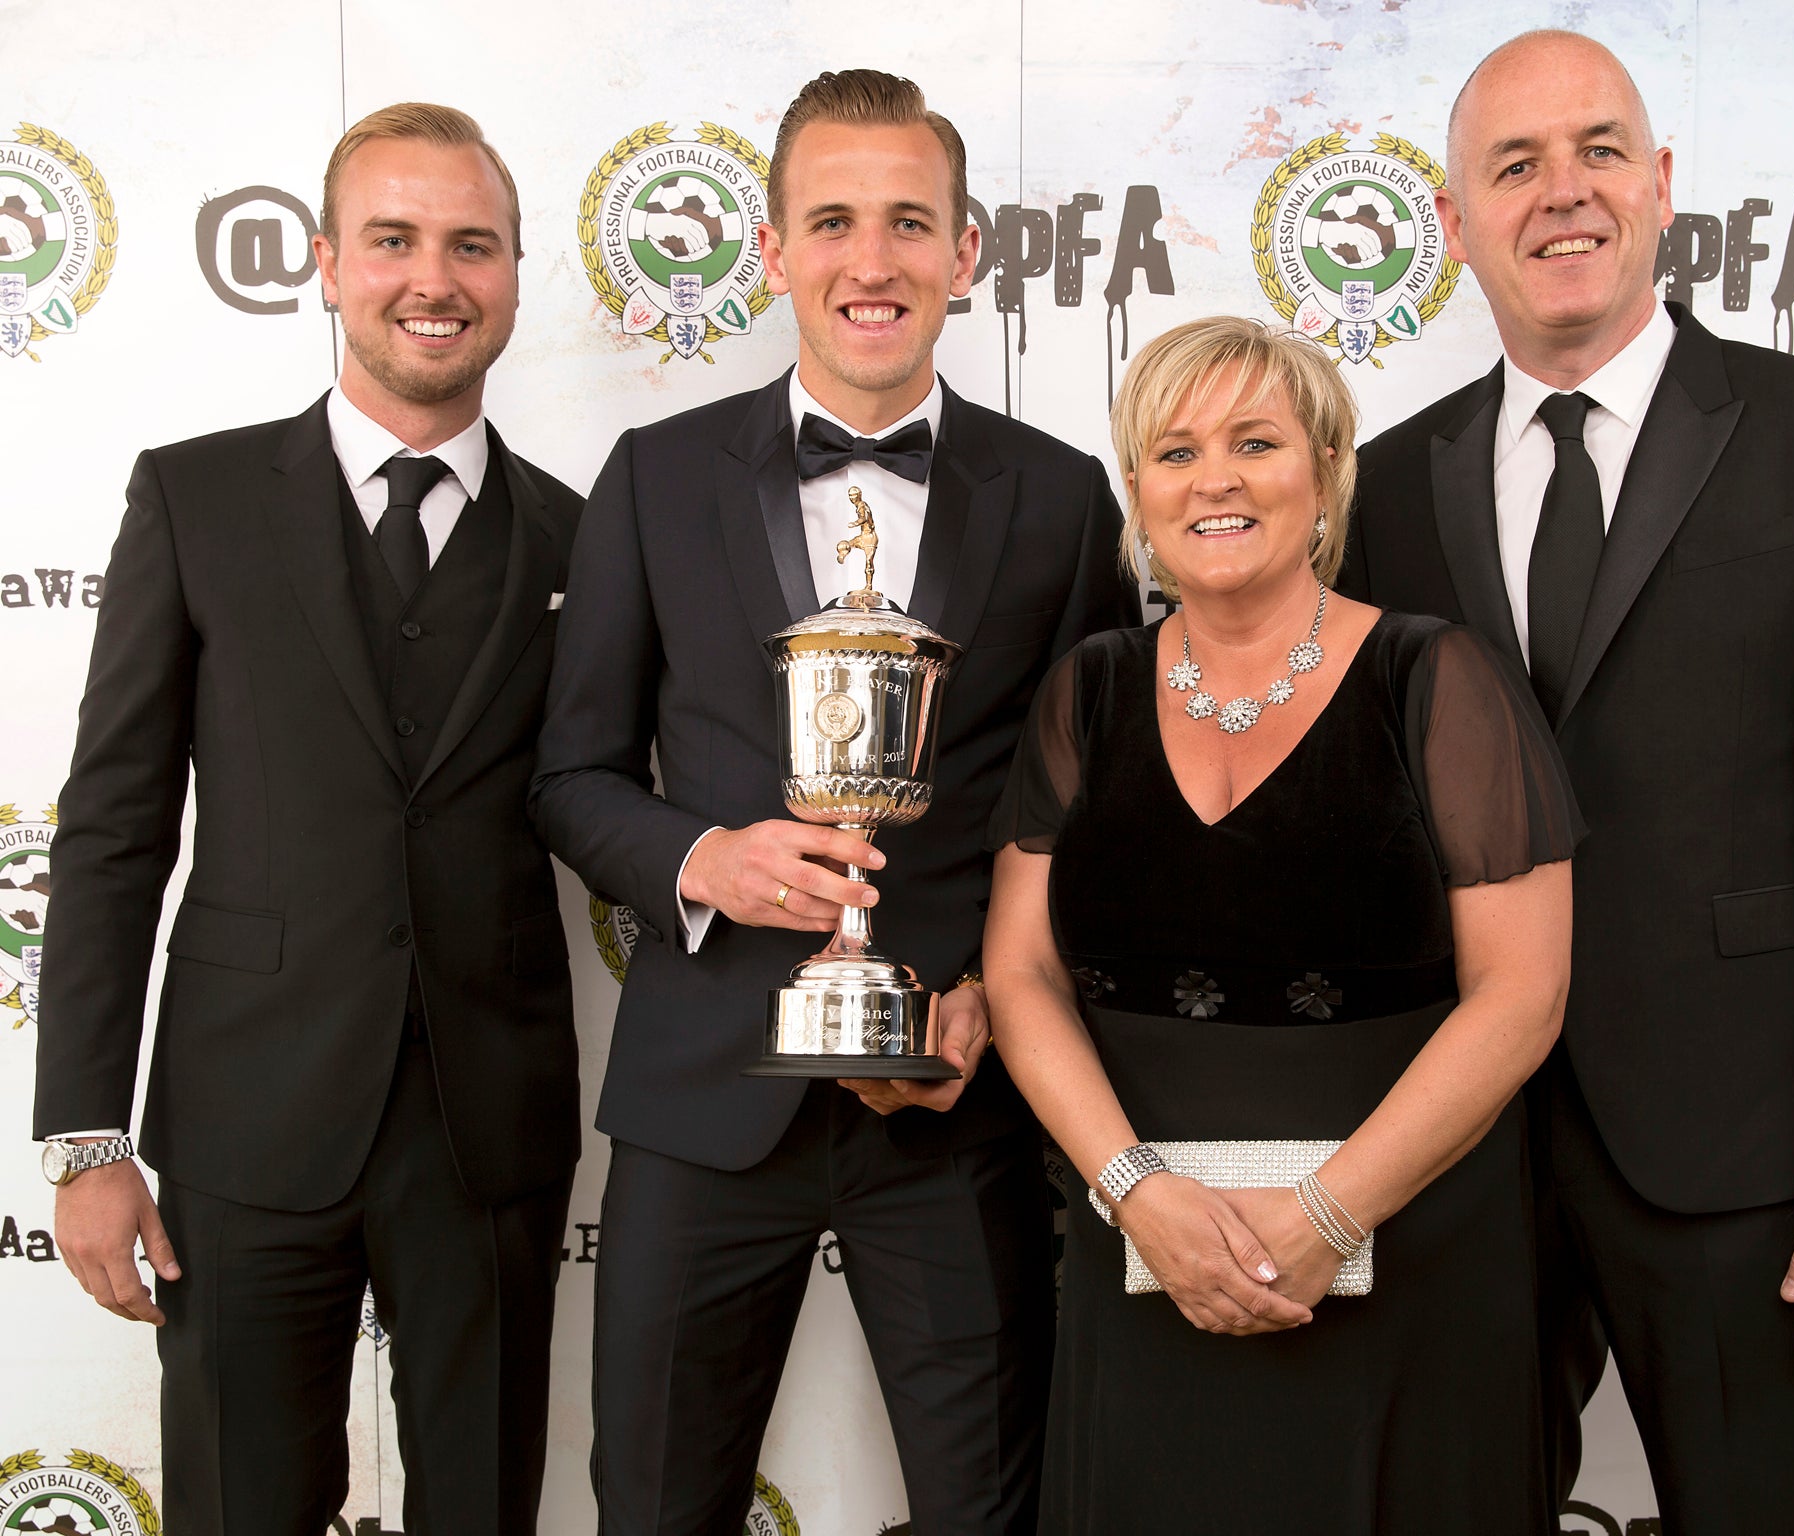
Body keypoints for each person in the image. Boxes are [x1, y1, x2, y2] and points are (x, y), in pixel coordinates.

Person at [1341, 31, 1794, 1533]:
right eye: (1514, 165)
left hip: (1742, 1147)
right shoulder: (1383, 483)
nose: (1563, 194)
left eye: (1599, 150)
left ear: (1661, 185)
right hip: (1460, 1152)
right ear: (1451, 222)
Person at [529, 69, 1135, 1535]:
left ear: (969, 253)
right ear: (774, 249)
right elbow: (570, 779)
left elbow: (1096, 808)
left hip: (956, 1100)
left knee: (993, 1506)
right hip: (702, 1097)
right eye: (837, 221)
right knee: (657, 1504)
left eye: (912, 223)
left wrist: (998, 987)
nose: (876, 261)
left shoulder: (1059, 499)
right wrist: (706, 862)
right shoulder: (654, 478)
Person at [32, 104, 582, 1532]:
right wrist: (87, 1142)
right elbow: (110, 831)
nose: (433, 278)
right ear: (328, 264)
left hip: (489, 1125)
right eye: (393, 239)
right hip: (243, 1118)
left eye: (471, 244)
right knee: (236, 1503)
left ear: (516, 271)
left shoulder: (584, 537)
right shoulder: (196, 499)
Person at [982, 315, 1580, 1533]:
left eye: (1255, 441)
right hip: (1143, 1260)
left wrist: (1327, 1215)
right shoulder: (1085, 690)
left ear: (1323, 476)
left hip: (1406, 1263)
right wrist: (1132, 1190)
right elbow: (1020, 973)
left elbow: (1521, 993)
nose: (1214, 479)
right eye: (1173, 449)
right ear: (1136, 492)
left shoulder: (1433, 678)